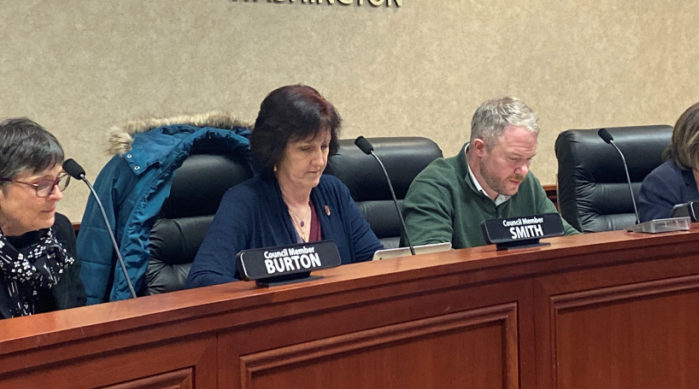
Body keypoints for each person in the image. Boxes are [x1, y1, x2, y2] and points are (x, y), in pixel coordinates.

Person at [186, 85, 383, 288]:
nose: (319, 160)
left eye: (324, 146)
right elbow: (202, 280)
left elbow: (377, 263)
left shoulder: (334, 192)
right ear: (276, 150)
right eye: (306, 149)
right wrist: (266, 294)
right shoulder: (244, 202)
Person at [402, 97, 578, 248]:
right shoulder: (433, 188)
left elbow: (567, 239)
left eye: (528, 159)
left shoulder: (526, 183)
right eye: (514, 158)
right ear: (480, 148)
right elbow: (431, 262)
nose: (524, 171)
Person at [0, 118, 85, 318]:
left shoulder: (59, 230)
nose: (58, 195)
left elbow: (77, 308)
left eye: (58, 181)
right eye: (43, 184)